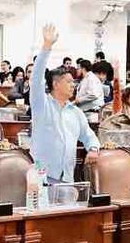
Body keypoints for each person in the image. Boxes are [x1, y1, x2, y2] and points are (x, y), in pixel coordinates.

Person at [30, 24, 100, 182]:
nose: (73, 85)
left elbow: (89, 136)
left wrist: (93, 148)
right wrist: (46, 47)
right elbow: (36, 79)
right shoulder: (41, 104)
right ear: (55, 84)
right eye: (68, 82)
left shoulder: (76, 112)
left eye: (73, 82)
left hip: (67, 178)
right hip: (42, 176)